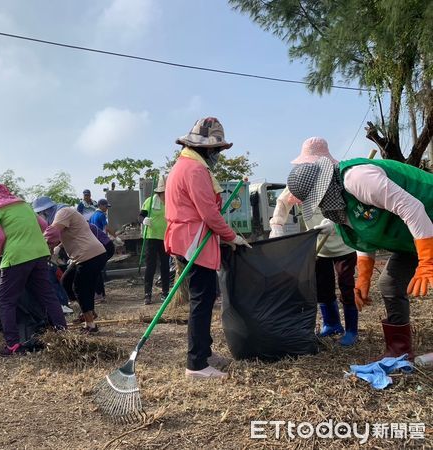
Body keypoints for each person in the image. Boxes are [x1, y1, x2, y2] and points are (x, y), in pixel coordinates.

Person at [286, 155, 433, 360]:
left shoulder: (357, 178)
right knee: (390, 284)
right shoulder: (339, 207)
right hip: (410, 240)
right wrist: (363, 277)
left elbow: (412, 208)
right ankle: (400, 351)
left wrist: (428, 261)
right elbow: (364, 235)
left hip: (428, 218)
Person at [165, 117, 251, 379]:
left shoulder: (184, 165)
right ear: (208, 149)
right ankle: (196, 364)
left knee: (204, 297)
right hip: (193, 241)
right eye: (218, 151)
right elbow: (210, 214)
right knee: (201, 302)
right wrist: (232, 237)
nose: (219, 155)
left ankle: (205, 352)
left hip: (186, 237)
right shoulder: (195, 170)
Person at [269, 138, 358, 346]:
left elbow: (354, 210)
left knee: (346, 286)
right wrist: (277, 225)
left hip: (344, 243)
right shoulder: (301, 180)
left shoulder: (339, 179)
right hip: (318, 246)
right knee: (322, 287)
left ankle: (352, 330)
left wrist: (334, 223)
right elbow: (282, 202)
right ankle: (332, 323)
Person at [0, 179, 67, 355]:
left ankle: (13, 345)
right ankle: (63, 334)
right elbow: (44, 226)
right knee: (48, 296)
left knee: (6, 301)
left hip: (16, 258)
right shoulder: (21, 204)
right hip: (39, 253)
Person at [34, 196, 106, 334]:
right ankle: (88, 311)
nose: (41, 216)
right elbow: (56, 237)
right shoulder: (58, 216)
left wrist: (37, 245)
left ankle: (90, 325)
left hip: (90, 254)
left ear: (47, 210)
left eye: (41, 213)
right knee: (66, 281)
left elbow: (53, 233)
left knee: (79, 287)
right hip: (82, 256)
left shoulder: (63, 212)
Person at [140, 175, 170, 305]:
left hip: (165, 238)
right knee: (150, 267)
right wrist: (144, 220)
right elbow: (141, 216)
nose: (165, 195)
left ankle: (165, 292)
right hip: (152, 238)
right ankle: (147, 294)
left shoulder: (170, 201)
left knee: (165, 266)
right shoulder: (150, 201)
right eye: (163, 193)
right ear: (159, 192)